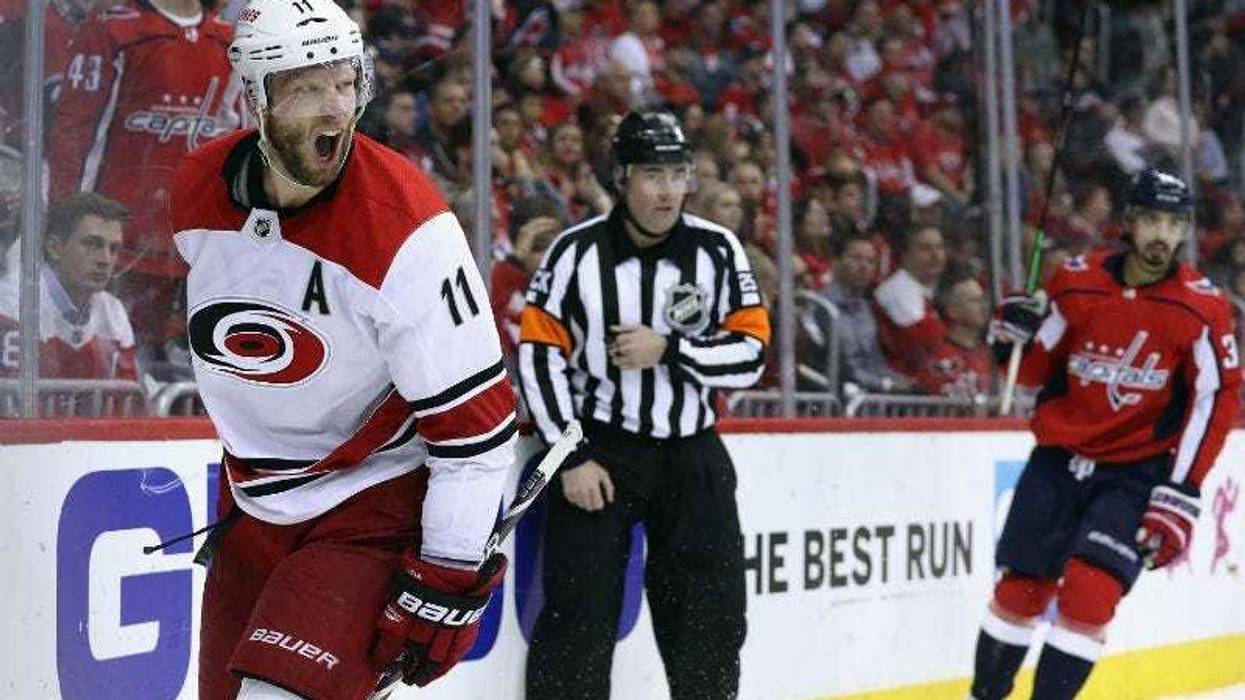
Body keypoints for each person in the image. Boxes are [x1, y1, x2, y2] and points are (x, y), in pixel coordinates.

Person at [170, 1, 517, 698]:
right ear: (257, 100)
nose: (333, 110)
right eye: (304, 88)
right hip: (252, 503)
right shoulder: (197, 191)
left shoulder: (406, 232)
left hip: (372, 501)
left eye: (344, 83)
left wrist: (446, 570)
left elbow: (475, 436)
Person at [520, 110, 769, 699]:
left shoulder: (718, 249)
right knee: (577, 619)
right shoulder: (573, 253)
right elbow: (538, 355)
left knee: (710, 620)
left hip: (694, 455)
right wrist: (570, 455)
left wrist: (673, 350)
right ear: (621, 177)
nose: (668, 190)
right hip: (601, 452)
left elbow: (753, 352)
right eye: (653, 174)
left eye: (679, 173)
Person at [970, 169, 1240, 700]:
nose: (1163, 234)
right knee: (1021, 589)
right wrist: (1010, 337)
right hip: (1058, 459)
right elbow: (1033, 370)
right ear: (1129, 222)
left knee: (1091, 594)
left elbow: (1217, 400)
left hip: (1135, 472)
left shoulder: (1201, 306)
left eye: (1175, 223)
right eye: (1153, 220)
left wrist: (1181, 489)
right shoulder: (1076, 280)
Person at [49, 0, 240, 351]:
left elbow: (236, 150)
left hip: (190, 251)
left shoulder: (230, 43)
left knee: (166, 376)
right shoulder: (114, 31)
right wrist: (64, 222)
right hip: (113, 248)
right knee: (101, 366)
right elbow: (74, 137)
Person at [0, 192, 136, 381]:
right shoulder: (11, 305)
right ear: (55, 248)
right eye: (92, 244)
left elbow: (127, 405)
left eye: (113, 249)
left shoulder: (114, 313)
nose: (105, 260)